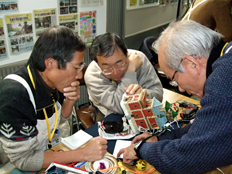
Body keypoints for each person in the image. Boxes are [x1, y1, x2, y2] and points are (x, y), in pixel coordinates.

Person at [117, 20, 232, 174]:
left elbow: (185, 159)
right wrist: (162, 137)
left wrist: (140, 148)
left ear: (191, 63)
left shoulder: (224, 79)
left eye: (174, 79)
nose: (181, 88)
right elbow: (208, 128)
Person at [0, 26, 107, 171]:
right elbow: (24, 161)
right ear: (50, 63)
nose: (80, 75)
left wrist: (70, 101)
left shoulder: (49, 81)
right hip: (15, 166)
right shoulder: (14, 95)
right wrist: (82, 154)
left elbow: (58, 120)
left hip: (47, 152)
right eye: (76, 67)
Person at [84, 32, 163, 122]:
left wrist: (143, 95)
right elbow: (120, 107)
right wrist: (130, 71)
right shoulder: (93, 75)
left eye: (120, 64)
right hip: (107, 110)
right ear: (98, 64)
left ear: (126, 53)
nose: (116, 72)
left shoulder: (139, 58)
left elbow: (158, 94)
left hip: (144, 107)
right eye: (107, 68)